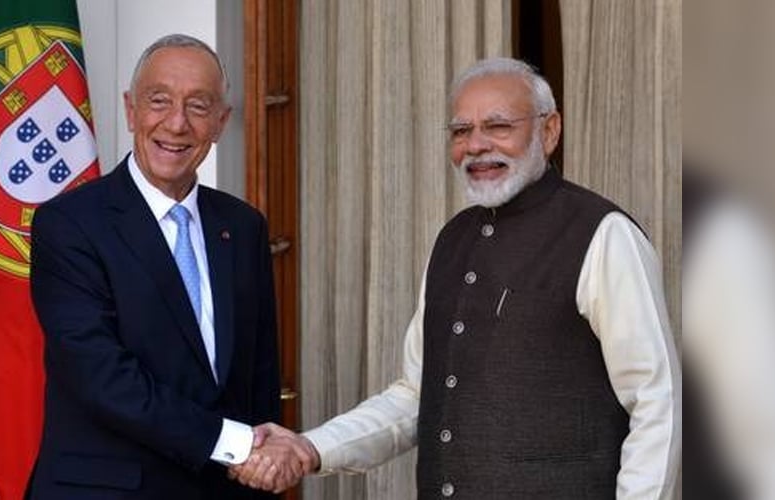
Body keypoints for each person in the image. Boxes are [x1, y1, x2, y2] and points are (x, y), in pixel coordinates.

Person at [231, 57, 681, 499]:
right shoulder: (453, 240)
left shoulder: (604, 234)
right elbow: (415, 396)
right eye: (461, 131)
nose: (477, 145)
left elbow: (656, 402)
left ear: (549, 131)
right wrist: (311, 447)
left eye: (499, 126)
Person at [26, 34, 281, 499]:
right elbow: (102, 377)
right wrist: (236, 444)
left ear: (221, 122)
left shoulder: (243, 227)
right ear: (130, 110)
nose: (177, 123)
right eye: (159, 101)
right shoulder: (69, 225)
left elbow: (257, 381)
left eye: (199, 107)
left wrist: (264, 459)